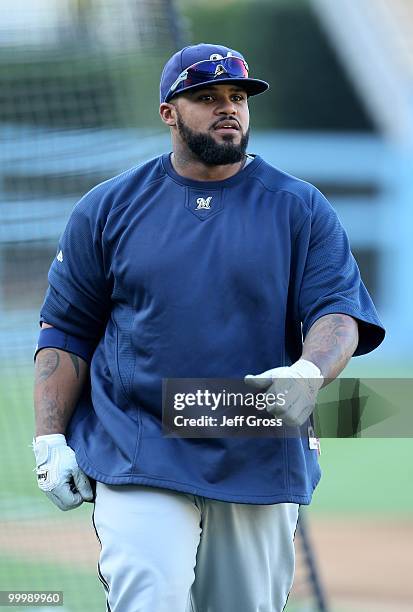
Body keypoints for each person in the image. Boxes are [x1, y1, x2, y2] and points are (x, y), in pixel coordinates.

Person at [33, 43, 385, 612]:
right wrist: (49, 436)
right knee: (149, 597)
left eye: (237, 97)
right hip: (138, 444)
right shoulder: (107, 209)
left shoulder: (300, 208)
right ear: (169, 113)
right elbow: (66, 332)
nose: (228, 108)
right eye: (206, 97)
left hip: (258, 446)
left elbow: (338, 313)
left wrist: (307, 373)